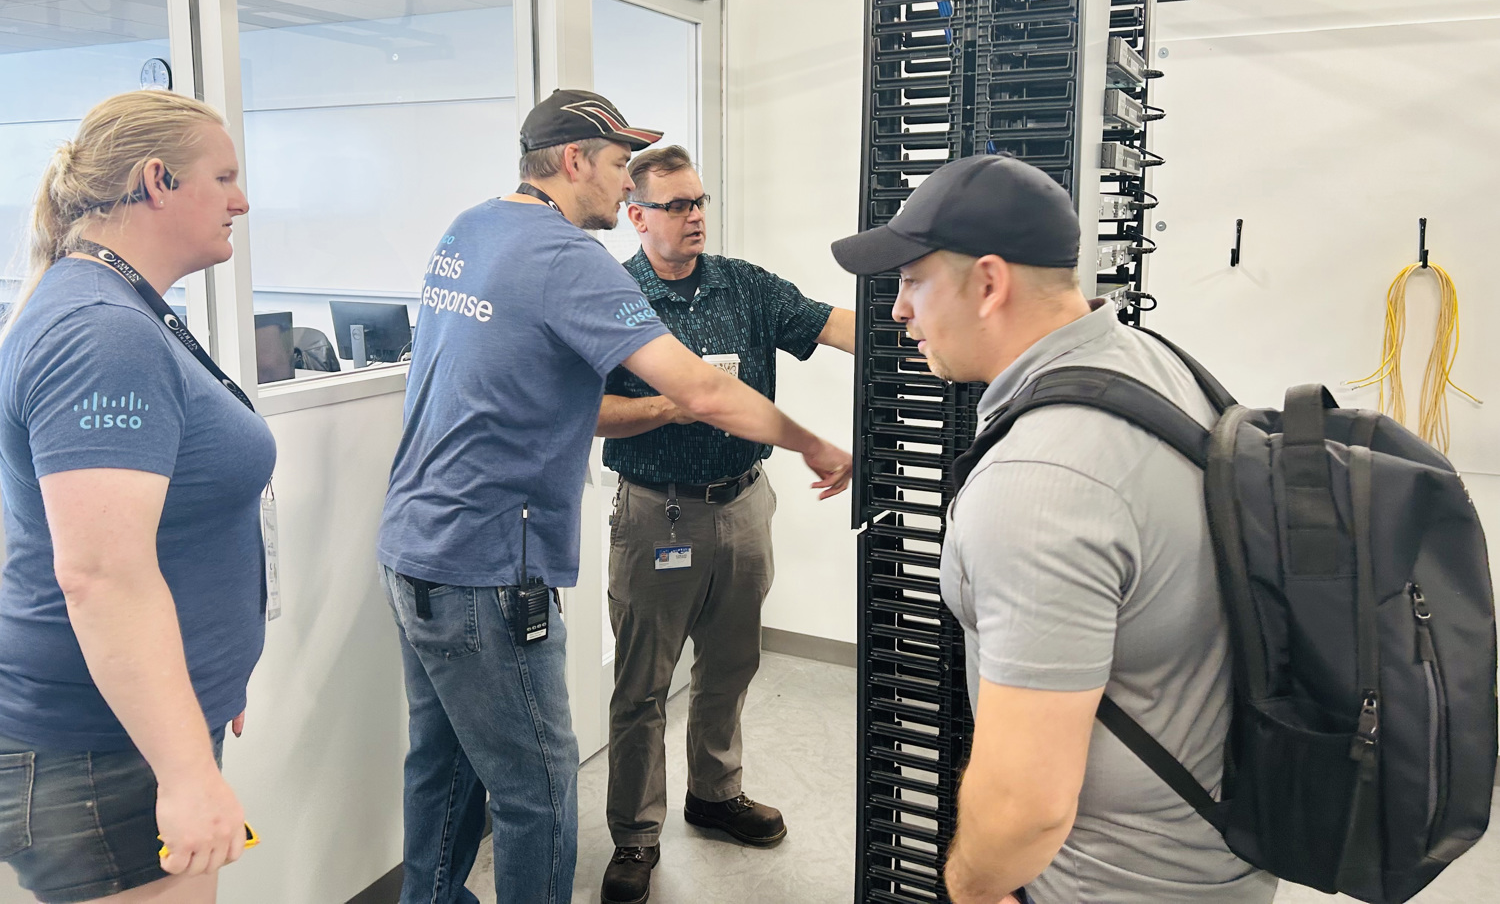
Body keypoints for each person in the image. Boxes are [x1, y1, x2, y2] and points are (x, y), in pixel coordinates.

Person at [376, 90, 852, 904]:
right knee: (540, 786)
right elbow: (699, 387)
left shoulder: (471, 228)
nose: (622, 182)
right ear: (573, 161)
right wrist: (807, 440)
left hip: (418, 546)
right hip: (491, 560)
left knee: (445, 765)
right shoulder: (568, 257)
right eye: (617, 164)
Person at [831, 155, 1278, 904]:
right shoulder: (1155, 365)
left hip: (1110, 883)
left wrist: (970, 888)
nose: (898, 310)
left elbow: (1025, 808)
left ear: (989, 283)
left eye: (911, 279)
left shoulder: (1038, 482)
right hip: (1217, 856)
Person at [0, 91, 276, 902]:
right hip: (103, 756)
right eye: (223, 176)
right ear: (157, 179)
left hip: (130, 738)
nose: (241, 199)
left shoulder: (119, 309)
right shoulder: (102, 333)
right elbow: (102, 575)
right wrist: (186, 770)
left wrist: (210, 681)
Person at [594, 144, 856, 904]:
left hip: (744, 502)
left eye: (700, 201)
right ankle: (636, 836)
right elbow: (584, 409)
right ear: (636, 215)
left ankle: (715, 791)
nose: (695, 216)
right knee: (643, 685)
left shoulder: (742, 286)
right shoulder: (611, 297)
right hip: (655, 511)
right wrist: (676, 402)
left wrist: (925, 322)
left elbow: (829, 322)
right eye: (676, 205)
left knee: (733, 661)